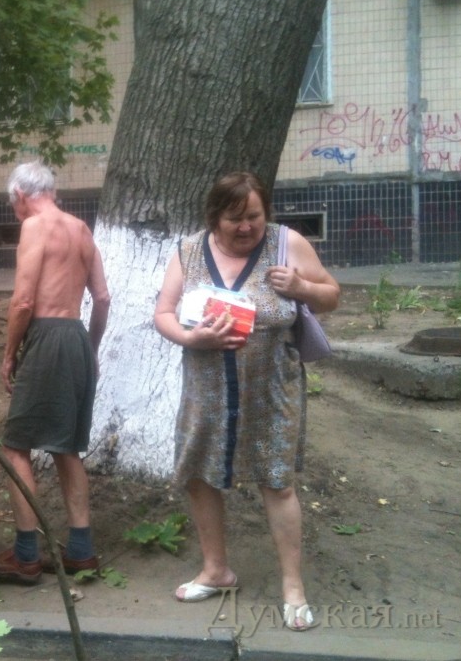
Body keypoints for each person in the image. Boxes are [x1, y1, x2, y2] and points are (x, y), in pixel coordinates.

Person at [153, 171, 339, 632]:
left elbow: (331, 295)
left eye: (254, 215)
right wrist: (190, 337)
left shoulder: (285, 244)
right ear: (214, 217)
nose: (246, 226)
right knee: (200, 475)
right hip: (206, 389)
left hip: (270, 388)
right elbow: (163, 313)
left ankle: (293, 587)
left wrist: (301, 288)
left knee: (277, 481)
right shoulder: (189, 251)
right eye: (234, 218)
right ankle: (216, 570)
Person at [0, 161, 110, 583]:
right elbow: (103, 298)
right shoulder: (81, 229)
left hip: (47, 337)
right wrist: (90, 348)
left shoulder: (34, 227)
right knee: (66, 448)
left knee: (16, 447)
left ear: (19, 195)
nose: (14, 210)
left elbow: (23, 302)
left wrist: (9, 353)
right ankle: (81, 552)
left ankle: (26, 556)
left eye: (12, 203)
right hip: (75, 336)